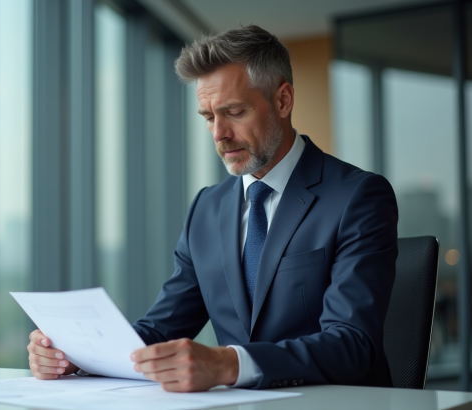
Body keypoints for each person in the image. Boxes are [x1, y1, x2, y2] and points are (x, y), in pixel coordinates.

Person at [27, 25, 398, 392]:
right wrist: (77, 355)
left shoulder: (358, 196)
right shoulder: (208, 207)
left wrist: (228, 364)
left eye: (234, 111)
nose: (219, 133)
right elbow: (161, 329)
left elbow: (352, 342)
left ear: (283, 100)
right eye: (208, 117)